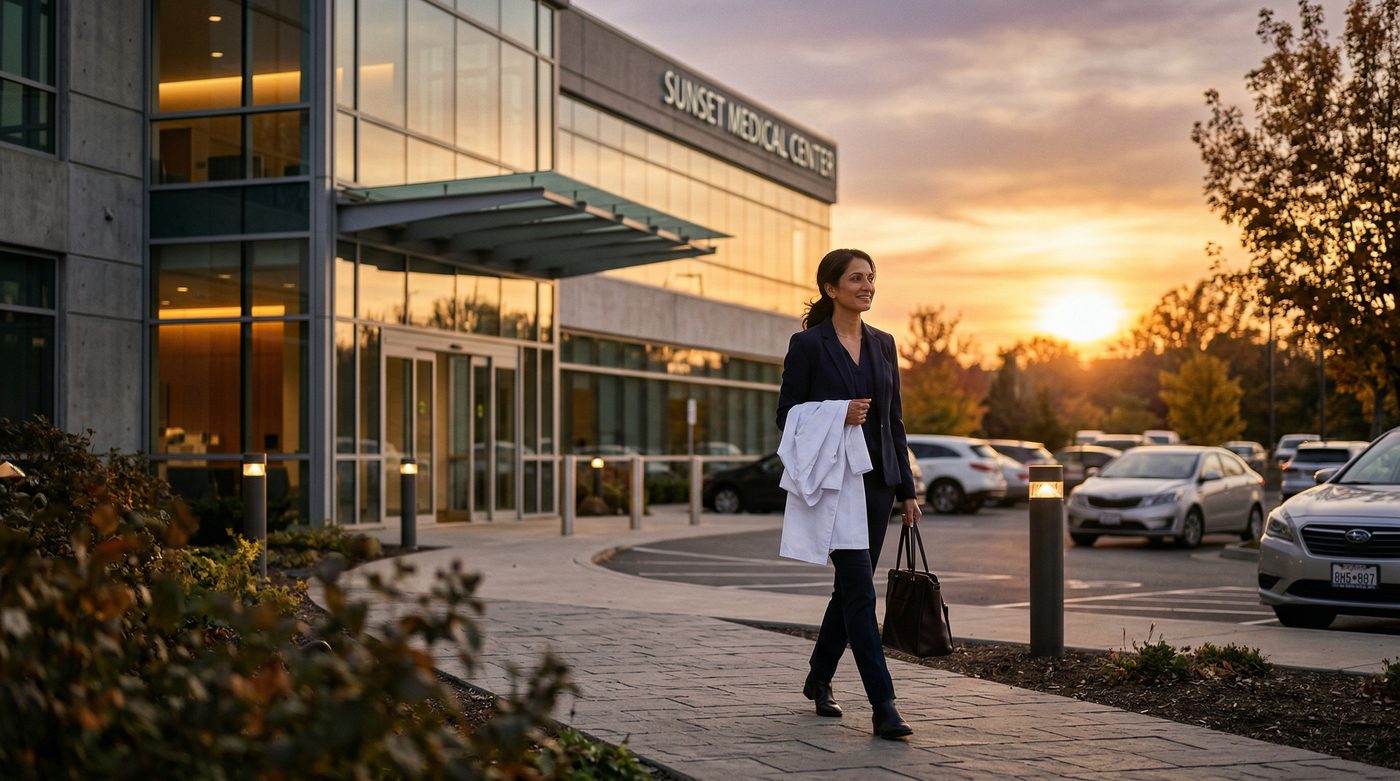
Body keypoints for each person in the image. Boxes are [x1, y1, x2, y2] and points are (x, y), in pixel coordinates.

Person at [776, 248, 922, 740]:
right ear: (831, 288)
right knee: (860, 589)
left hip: (878, 484)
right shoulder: (808, 346)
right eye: (856, 278)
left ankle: (819, 678)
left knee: (848, 590)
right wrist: (836, 413)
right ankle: (884, 705)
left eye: (871, 277)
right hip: (836, 484)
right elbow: (787, 416)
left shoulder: (884, 344)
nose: (867, 285)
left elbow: (893, 421)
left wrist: (906, 492)